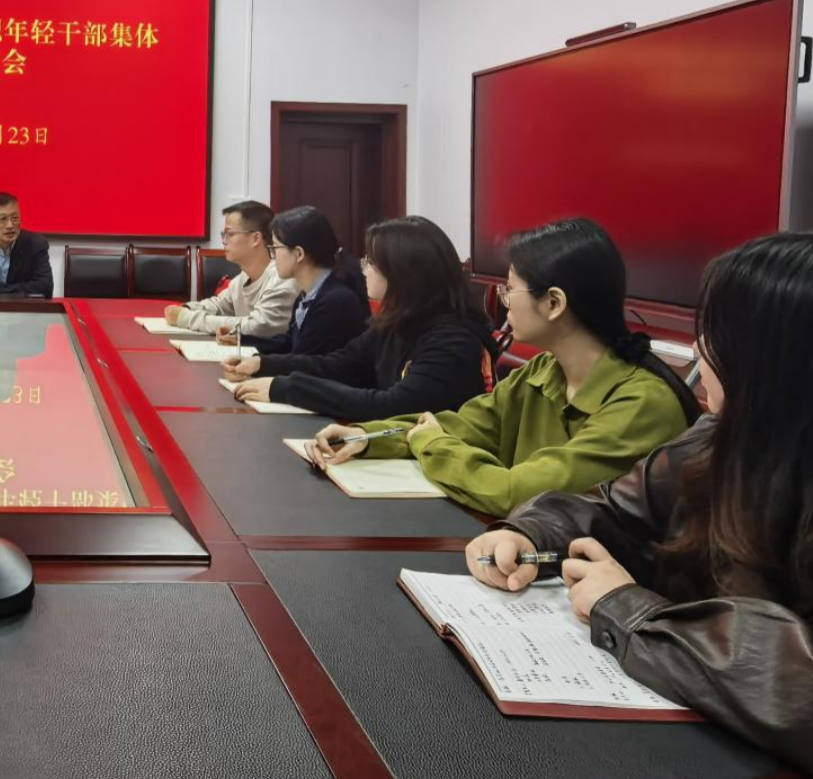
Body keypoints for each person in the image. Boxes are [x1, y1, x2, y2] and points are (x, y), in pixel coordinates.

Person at [465, 233, 813, 772]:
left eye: (716, 333)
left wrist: (629, 609)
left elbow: (795, 689)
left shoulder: (649, 398)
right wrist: (528, 532)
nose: (699, 349)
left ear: (772, 358)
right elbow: (612, 509)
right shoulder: (722, 439)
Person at [309, 218, 699, 516]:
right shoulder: (545, 369)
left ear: (554, 303)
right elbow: (461, 424)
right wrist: (366, 437)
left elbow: (518, 492)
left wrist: (430, 443)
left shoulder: (642, 404)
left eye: (510, 288)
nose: (503, 300)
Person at [223, 216, 497, 419]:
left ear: (402, 273)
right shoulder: (398, 321)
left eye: (371, 263)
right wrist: (264, 364)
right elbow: (341, 364)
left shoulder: (453, 341)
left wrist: (290, 388)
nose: (364, 270)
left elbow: (391, 406)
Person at [234, 206, 368, 358]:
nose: (273, 256)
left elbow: (306, 360)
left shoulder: (335, 301)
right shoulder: (307, 293)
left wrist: (260, 363)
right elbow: (290, 342)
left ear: (298, 253)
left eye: (275, 248)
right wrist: (241, 340)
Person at [164, 200, 295, 339]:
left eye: (230, 234)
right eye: (224, 235)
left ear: (255, 238)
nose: (224, 241)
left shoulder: (281, 279)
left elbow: (256, 327)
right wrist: (187, 309)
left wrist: (187, 318)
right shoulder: (242, 279)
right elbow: (218, 305)